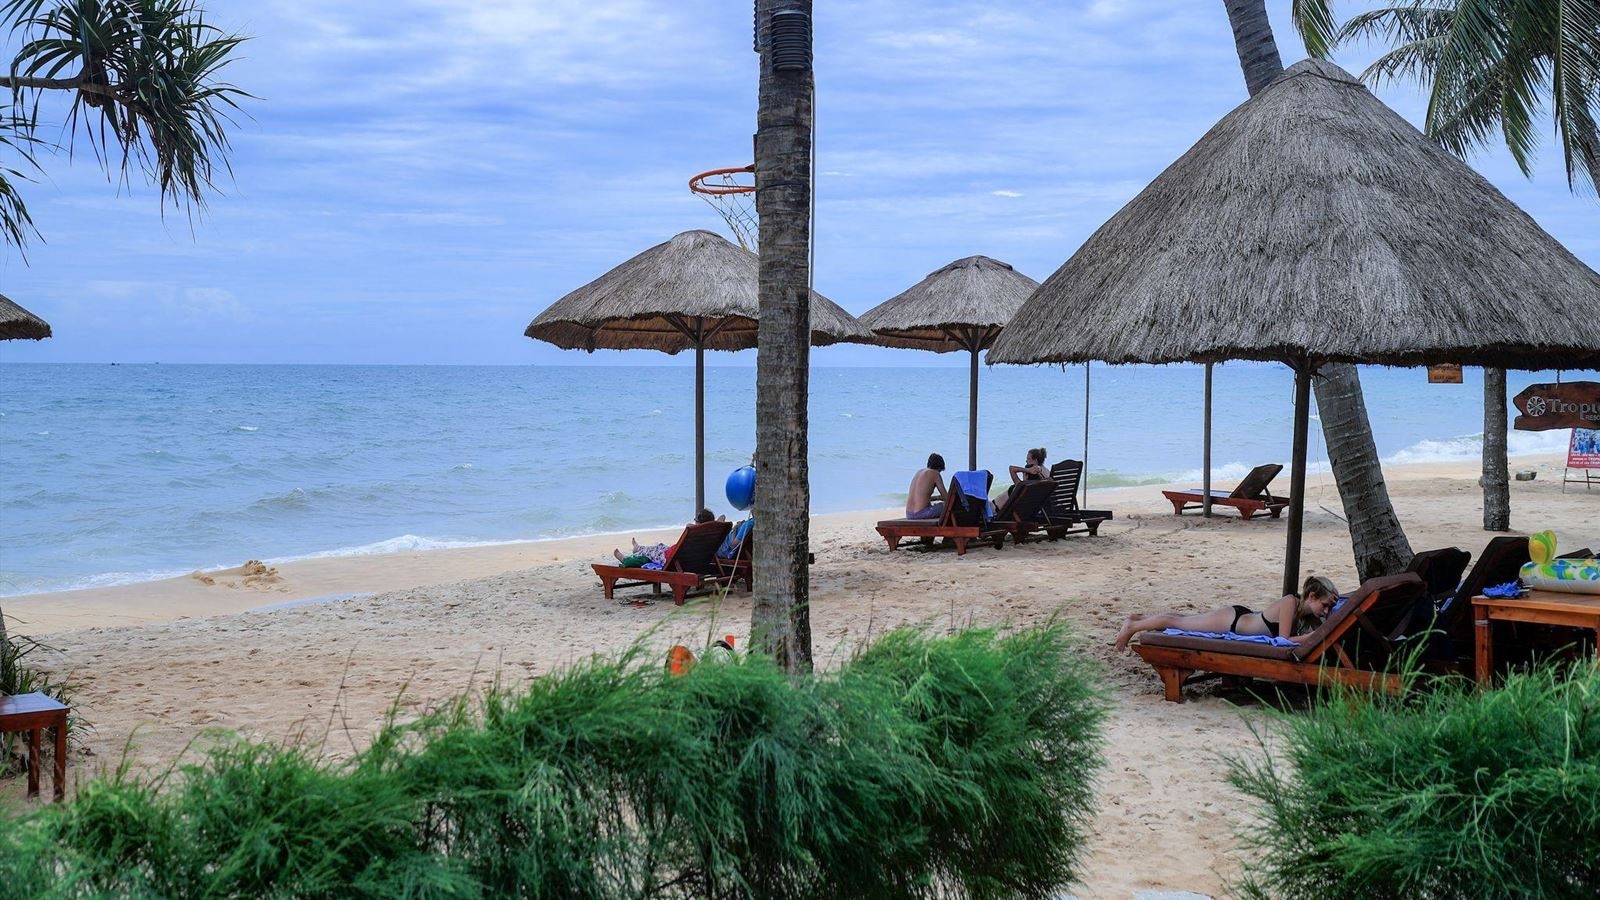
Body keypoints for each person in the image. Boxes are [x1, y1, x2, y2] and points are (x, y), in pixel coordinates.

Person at [1112, 575, 1340, 653]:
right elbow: (1284, 640)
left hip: (1241, 618)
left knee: (1184, 619)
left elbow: (1324, 627)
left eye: (1330, 607)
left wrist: (1326, 622)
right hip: (1232, 622)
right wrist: (1315, 636)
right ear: (1310, 596)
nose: (1326, 611)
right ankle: (1131, 627)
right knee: (1180, 623)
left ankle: (1138, 618)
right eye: (1325, 605)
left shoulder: (1308, 615)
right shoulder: (1291, 602)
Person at [614, 508, 717, 568]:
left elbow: (688, 525)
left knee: (651, 551)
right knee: (659, 547)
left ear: (698, 523)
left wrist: (697, 527)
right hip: (678, 555)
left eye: (696, 521)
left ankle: (633, 552)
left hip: (670, 558)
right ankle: (638, 547)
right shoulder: (711, 535)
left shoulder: (695, 532)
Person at [905, 453, 948, 519]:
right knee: (946, 506)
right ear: (939, 468)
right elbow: (946, 498)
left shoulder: (918, 472)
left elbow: (922, 497)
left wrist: (937, 498)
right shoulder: (935, 474)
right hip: (921, 514)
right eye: (940, 471)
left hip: (909, 514)